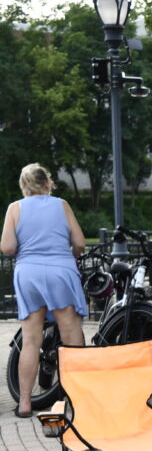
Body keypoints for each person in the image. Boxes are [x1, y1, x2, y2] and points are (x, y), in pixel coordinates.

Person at [0, 163, 87, 417]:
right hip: (61, 271)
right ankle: (79, 400)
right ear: (47, 184)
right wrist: (72, 254)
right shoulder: (61, 205)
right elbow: (79, 242)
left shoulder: (14, 208)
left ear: (23, 187)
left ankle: (25, 403)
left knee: (30, 340)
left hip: (29, 273)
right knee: (72, 336)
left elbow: (7, 247)